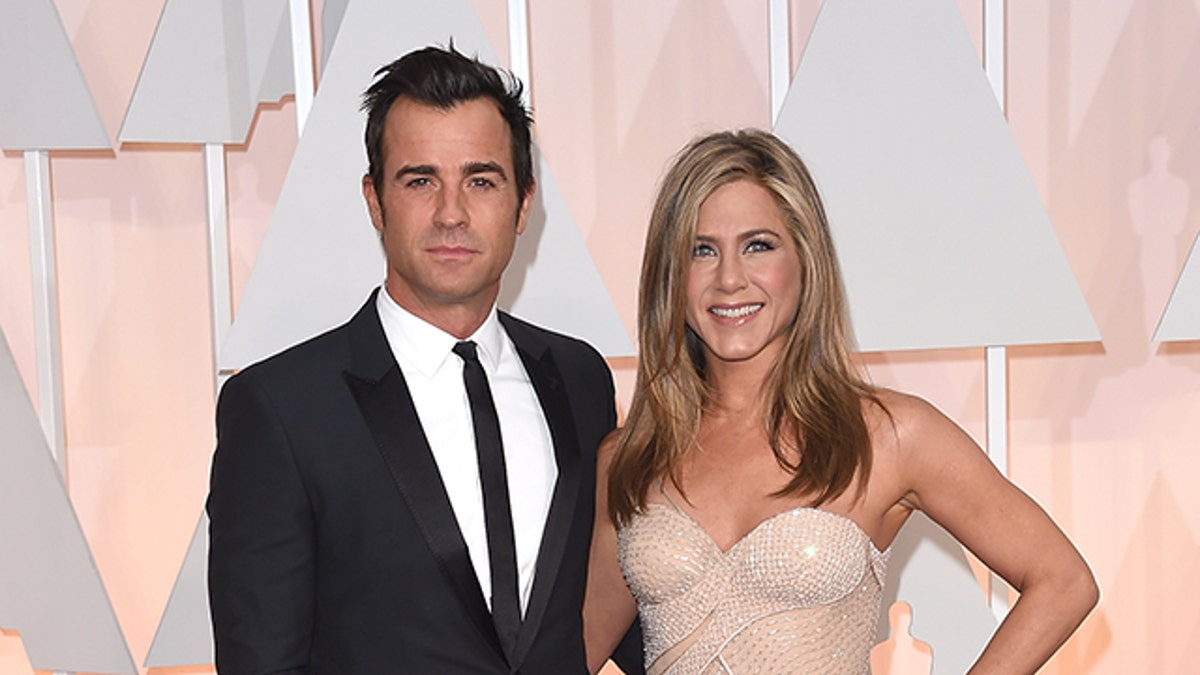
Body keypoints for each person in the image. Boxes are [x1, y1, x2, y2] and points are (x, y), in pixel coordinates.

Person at [582, 129, 1098, 674]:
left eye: (759, 245)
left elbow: (1063, 582)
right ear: (670, 276)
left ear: (806, 261)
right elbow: (578, 651)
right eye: (701, 250)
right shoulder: (630, 458)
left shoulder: (890, 435)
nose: (729, 278)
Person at [208, 45, 640, 673]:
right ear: (375, 201)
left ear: (523, 204)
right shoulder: (281, 410)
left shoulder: (579, 379)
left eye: (480, 180)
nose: (451, 213)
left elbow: (609, 606)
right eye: (420, 180)